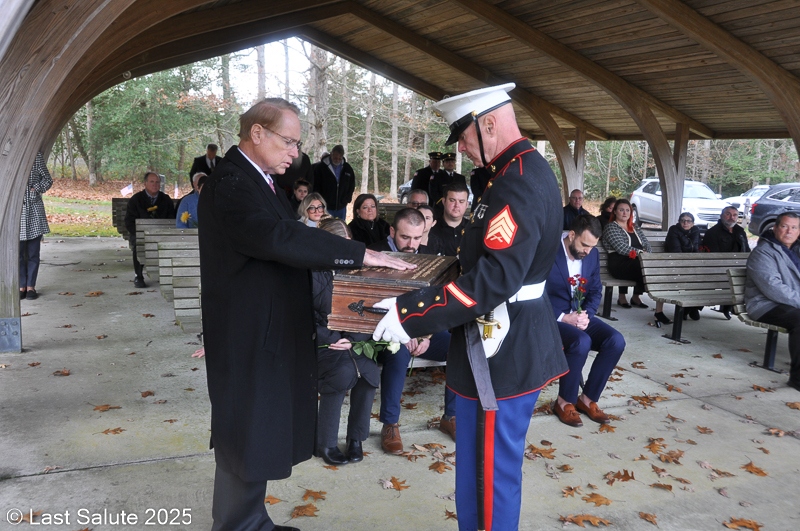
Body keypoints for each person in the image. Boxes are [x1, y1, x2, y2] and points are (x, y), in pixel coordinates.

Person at [197, 97, 413, 531]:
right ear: (257, 133)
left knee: (257, 427)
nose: (295, 153)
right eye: (289, 142)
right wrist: (359, 253)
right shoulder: (231, 183)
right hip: (248, 331)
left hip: (264, 327)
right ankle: (237, 525)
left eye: (297, 144)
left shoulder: (258, 180)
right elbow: (279, 237)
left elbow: (290, 235)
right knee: (246, 427)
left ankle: (250, 519)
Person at [372, 83, 569, 531]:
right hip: (504, 336)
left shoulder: (515, 183)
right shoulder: (517, 171)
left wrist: (411, 315)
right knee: (484, 468)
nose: (459, 147)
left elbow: (495, 278)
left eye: (463, 136)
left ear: (489, 124)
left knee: (488, 475)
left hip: (502, 347)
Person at [546, 215, 626, 428]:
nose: (588, 251)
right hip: (551, 318)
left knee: (615, 341)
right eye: (585, 245)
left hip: (580, 316)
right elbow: (536, 292)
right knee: (581, 341)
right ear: (572, 235)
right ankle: (564, 402)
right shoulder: (548, 251)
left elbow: (596, 289)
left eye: (592, 246)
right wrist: (563, 317)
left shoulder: (592, 254)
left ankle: (588, 399)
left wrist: (586, 315)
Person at [312, 218, 380, 465]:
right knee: (341, 373)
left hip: (352, 343)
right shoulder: (310, 273)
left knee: (369, 372)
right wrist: (334, 339)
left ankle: (355, 439)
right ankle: (326, 443)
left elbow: (368, 311)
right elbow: (303, 317)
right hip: (321, 344)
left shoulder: (358, 271)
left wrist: (352, 340)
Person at [745, 212, 800, 392]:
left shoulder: (796, 250)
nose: (789, 231)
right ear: (775, 228)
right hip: (765, 305)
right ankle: (797, 379)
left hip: (791, 303)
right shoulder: (763, 252)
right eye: (784, 226)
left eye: (794, 227)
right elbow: (772, 287)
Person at [602, 198, 671, 324]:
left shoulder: (635, 227)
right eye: (621, 210)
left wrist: (647, 253)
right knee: (650, 270)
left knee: (658, 271)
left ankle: (658, 311)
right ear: (615, 212)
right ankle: (656, 308)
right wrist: (641, 253)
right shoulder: (611, 227)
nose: (625, 213)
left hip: (637, 262)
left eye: (627, 210)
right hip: (619, 264)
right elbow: (621, 247)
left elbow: (646, 244)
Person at [124, 171, 176, 288]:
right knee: (138, 244)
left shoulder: (166, 199)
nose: (155, 184)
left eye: (157, 182)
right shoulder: (136, 199)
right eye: (152, 182)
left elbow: (171, 219)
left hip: (161, 234)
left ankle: (166, 275)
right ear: (145, 183)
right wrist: (138, 233)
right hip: (141, 235)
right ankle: (138, 275)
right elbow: (129, 221)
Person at [702, 205, 751, 319]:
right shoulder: (713, 232)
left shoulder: (740, 231)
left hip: (738, 267)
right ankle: (693, 308)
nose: (732, 217)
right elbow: (712, 255)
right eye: (728, 214)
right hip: (718, 269)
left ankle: (731, 307)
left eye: (735, 215)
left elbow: (746, 250)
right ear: (721, 216)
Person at [19, 151, 52, 300]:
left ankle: (31, 286)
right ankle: (21, 285)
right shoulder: (9, 155)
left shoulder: (35, 156)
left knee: (33, 252)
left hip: (33, 211)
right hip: (17, 213)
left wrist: (36, 188)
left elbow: (48, 179)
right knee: (17, 253)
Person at [665, 212, 703, 320]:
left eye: (688, 221)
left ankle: (692, 308)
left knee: (704, 278)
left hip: (691, 264)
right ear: (679, 222)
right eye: (683, 220)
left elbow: (696, 248)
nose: (685, 223)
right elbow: (676, 251)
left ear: (693, 223)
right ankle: (688, 308)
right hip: (675, 264)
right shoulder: (673, 230)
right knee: (689, 279)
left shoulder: (695, 230)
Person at [313, 144, 356, 219]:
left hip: (341, 206)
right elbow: (316, 185)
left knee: (340, 225)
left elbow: (351, 185)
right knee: (326, 224)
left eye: (340, 158)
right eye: (335, 158)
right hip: (325, 205)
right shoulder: (321, 168)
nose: (337, 160)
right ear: (331, 154)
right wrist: (319, 201)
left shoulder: (347, 168)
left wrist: (347, 199)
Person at [428, 182, 469, 257]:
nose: (456, 205)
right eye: (452, 200)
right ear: (444, 201)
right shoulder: (431, 228)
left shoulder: (474, 229)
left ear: (467, 204)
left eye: (461, 201)